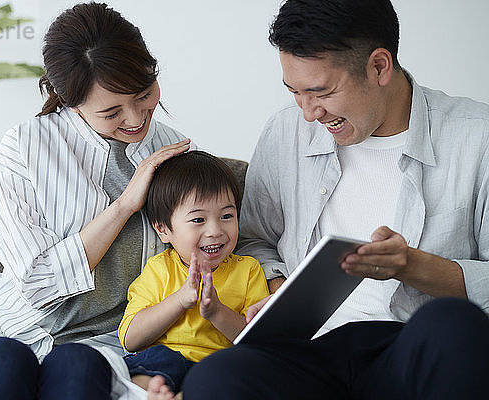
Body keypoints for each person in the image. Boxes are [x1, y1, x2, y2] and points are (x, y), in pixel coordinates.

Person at [181, 0, 489, 399]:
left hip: (410, 346)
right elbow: (253, 237)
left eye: (321, 91)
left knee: (454, 324)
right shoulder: (285, 131)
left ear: (379, 66)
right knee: (216, 377)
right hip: (308, 350)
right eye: (295, 92)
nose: (309, 113)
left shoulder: (476, 138)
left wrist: (411, 265)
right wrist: (277, 292)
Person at [0, 3, 193, 399]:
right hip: (13, 328)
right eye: (111, 111)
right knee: (3, 361)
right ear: (71, 102)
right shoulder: (25, 147)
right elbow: (37, 282)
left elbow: (217, 240)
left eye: (144, 94)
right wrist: (124, 205)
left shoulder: (170, 149)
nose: (136, 118)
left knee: (78, 368)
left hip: (106, 346)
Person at [116, 151, 269, 399]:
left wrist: (217, 312)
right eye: (198, 219)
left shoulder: (248, 269)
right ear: (164, 230)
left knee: (233, 370)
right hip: (164, 361)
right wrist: (180, 300)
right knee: (161, 360)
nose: (215, 230)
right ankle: (146, 390)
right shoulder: (160, 269)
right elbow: (131, 340)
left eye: (227, 216)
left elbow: (256, 340)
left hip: (216, 366)